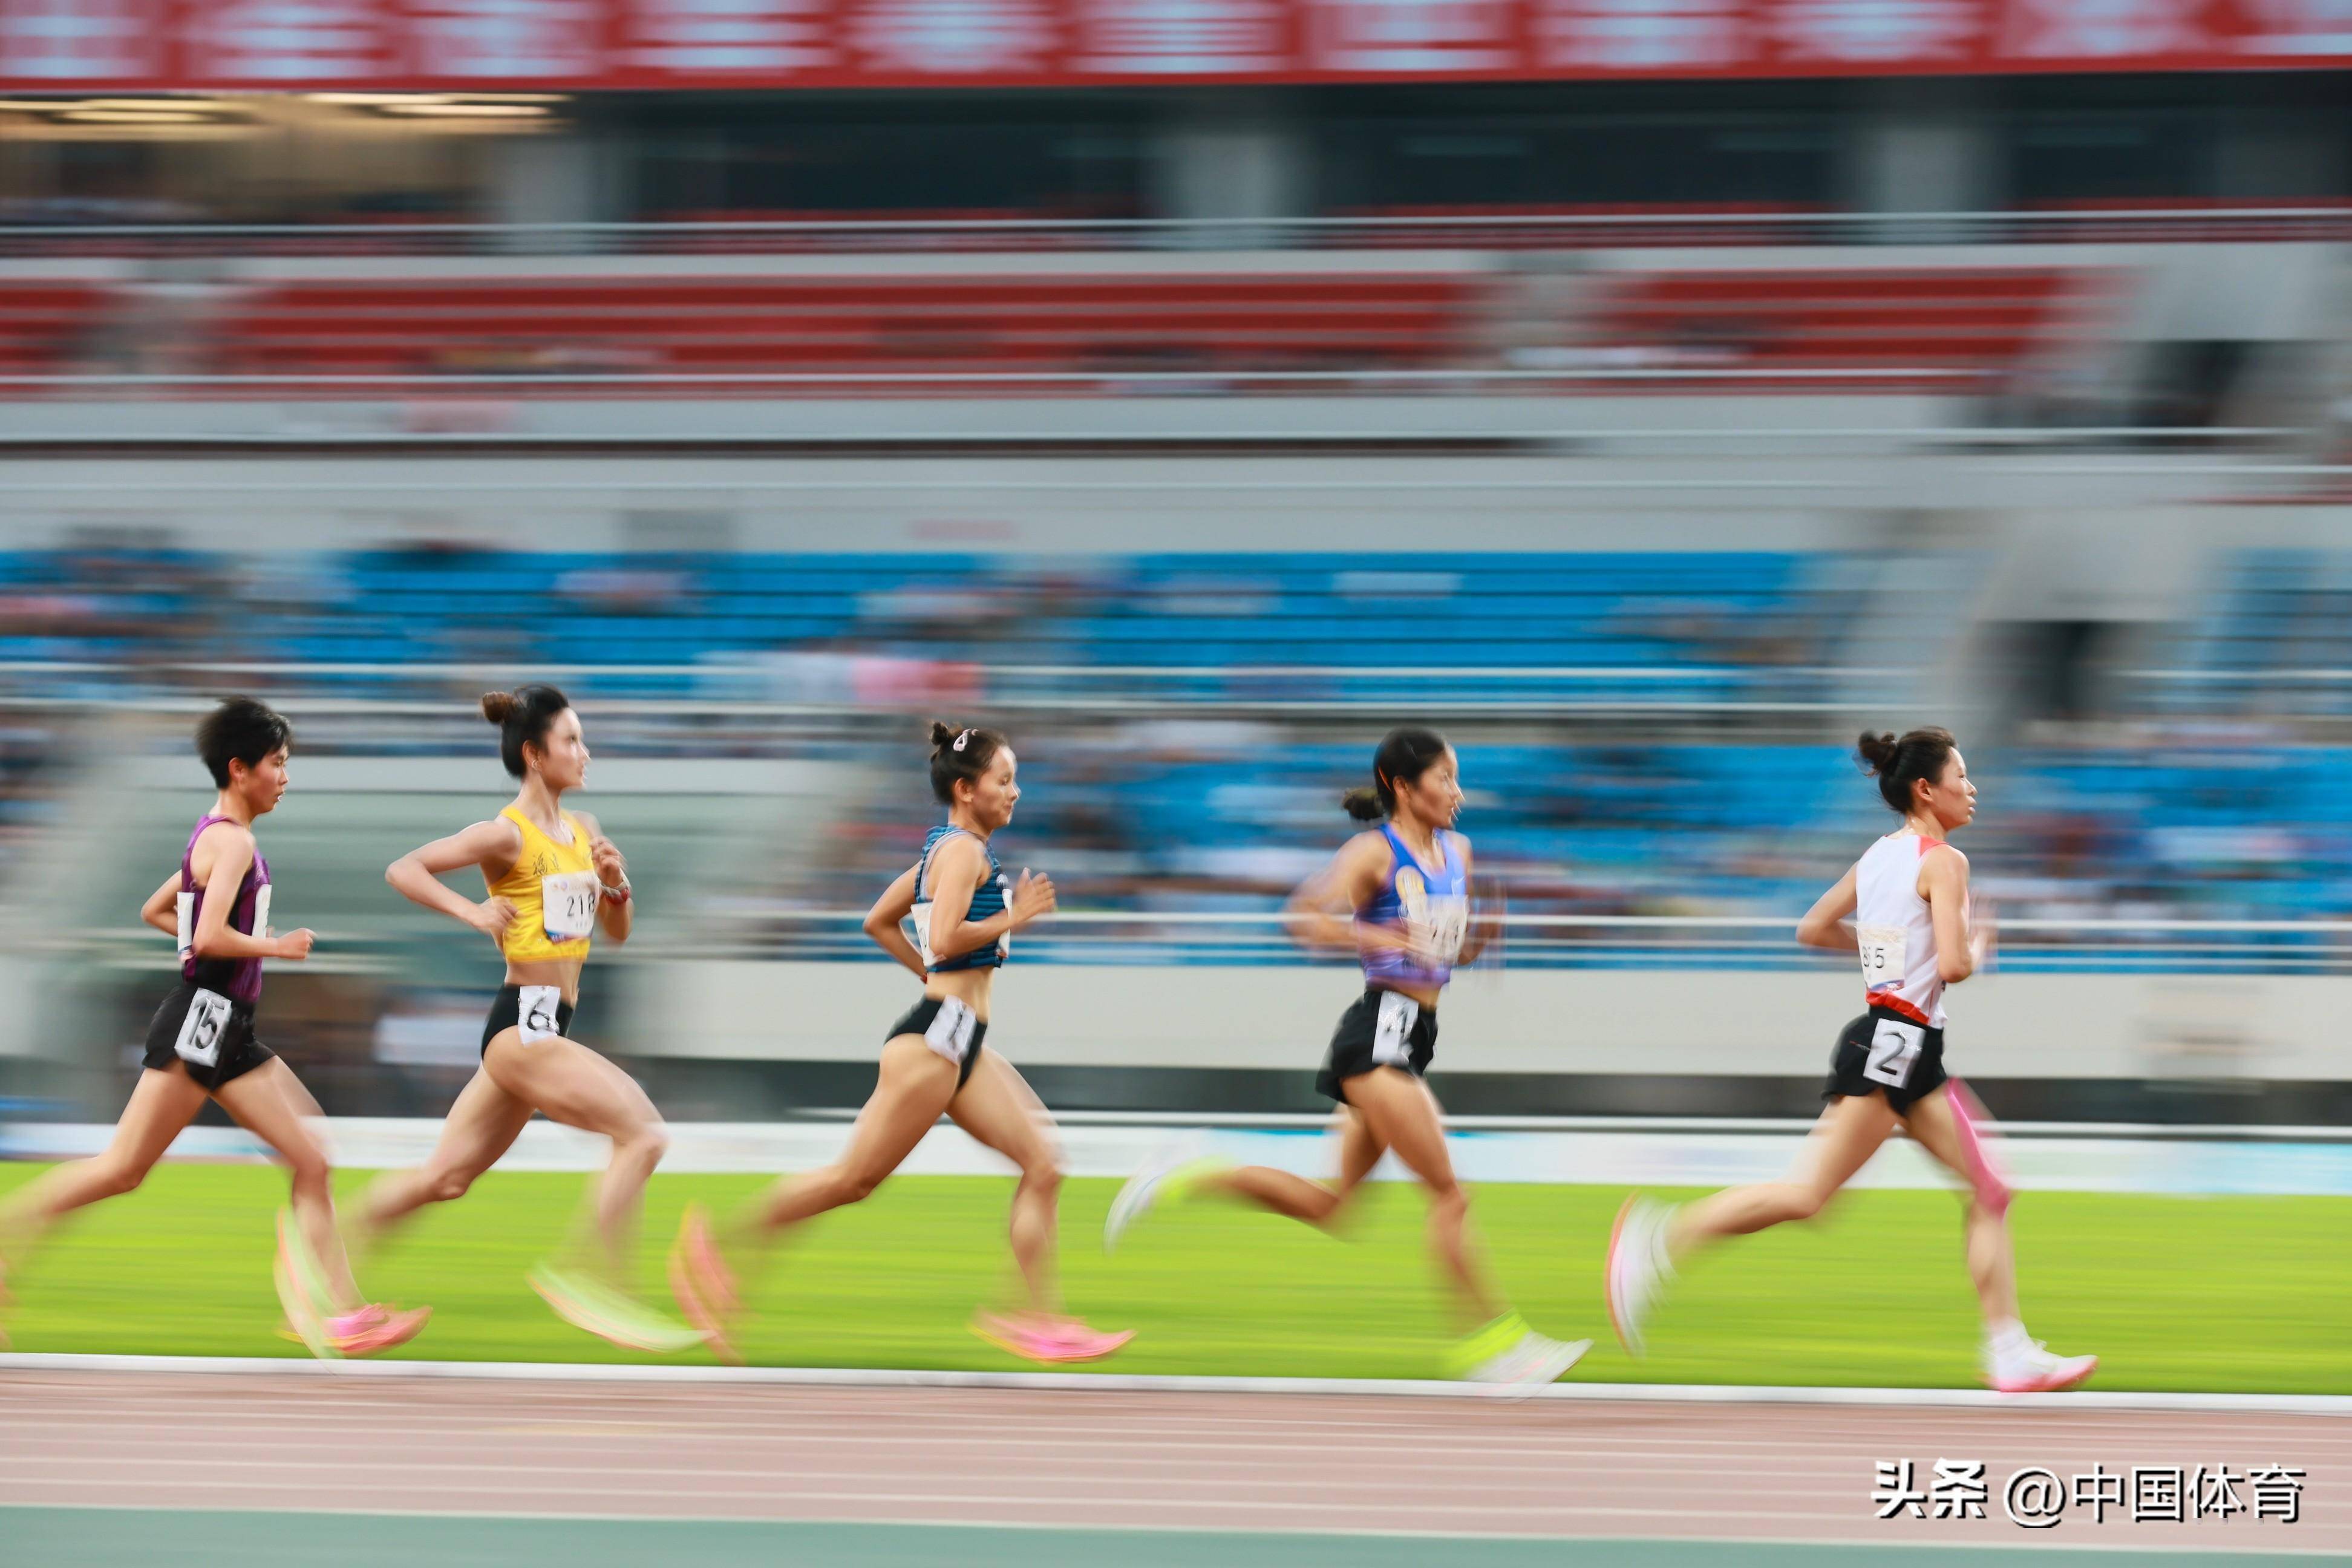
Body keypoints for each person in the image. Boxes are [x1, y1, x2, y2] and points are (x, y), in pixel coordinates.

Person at [1606, 727, 2097, 1394]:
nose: (1972, 788)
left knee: (1990, 1188)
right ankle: (1659, 1239)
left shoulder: (1877, 856)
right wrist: (1980, 945)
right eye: (1962, 776)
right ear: (1927, 789)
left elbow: (1812, 927)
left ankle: (2008, 1349)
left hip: (1901, 1048)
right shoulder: (1945, 862)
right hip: (1896, 1050)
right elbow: (1954, 965)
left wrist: (1885, 961)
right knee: (1807, 1197)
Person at [1105, 727, 1588, 1388]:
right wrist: (1387, 930)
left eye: (1457, 778)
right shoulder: (1371, 853)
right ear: (1401, 786)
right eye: (1445, 778)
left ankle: (1192, 1168)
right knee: (1450, 1194)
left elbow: (1448, 952)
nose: (1458, 792)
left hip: (1414, 1038)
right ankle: (1498, 1345)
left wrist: (1482, 941)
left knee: (1332, 1207)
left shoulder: (1460, 852)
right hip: (1377, 1036)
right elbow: (1303, 920)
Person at [670, 721, 1130, 1366]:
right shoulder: (961, 853)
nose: (1016, 792)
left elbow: (878, 922)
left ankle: (1034, 1317)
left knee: (1045, 1164)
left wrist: (930, 974)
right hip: (936, 1043)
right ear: (968, 789)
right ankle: (718, 1244)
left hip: (957, 1039)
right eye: (1005, 780)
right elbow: (942, 939)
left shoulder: (943, 852)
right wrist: (1012, 919)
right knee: (851, 1181)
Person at [0, 697, 426, 1357]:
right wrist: (275, 949)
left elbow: (158, 912)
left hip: (228, 1023)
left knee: (310, 1155)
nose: (285, 777)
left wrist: (213, 943)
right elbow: (211, 935)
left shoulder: (212, 836)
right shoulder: (233, 841)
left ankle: (340, 1307)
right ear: (239, 768)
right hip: (205, 1023)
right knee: (123, 1169)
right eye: (277, 764)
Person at [353, 685, 699, 1353]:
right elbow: (404, 869)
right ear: (537, 755)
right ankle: (592, 1278)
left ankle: (326, 1262)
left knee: (446, 1179)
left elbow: (618, 932)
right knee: (644, 1137)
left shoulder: (586, 830)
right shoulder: (506, 834)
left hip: (540, 1032)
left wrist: (617, 882)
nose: (585, 752)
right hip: (522, 1029)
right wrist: (473, 912)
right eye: (572, 740)